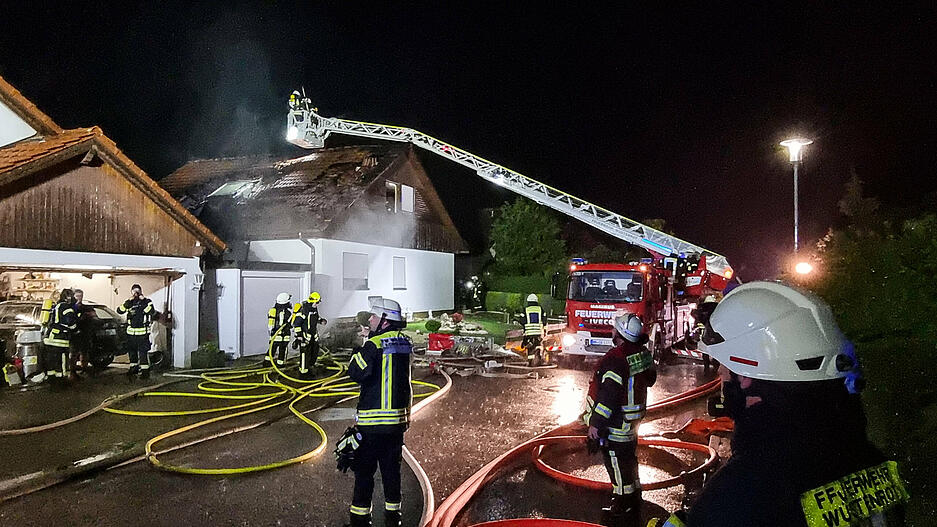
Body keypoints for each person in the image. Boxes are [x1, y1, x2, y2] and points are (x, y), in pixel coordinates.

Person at [653, 281, 908, 527]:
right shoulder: (875, 462)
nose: (720, 375)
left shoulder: (742, 494)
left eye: (725, 367)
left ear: (745, 378)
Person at [583, 313, 657, 526]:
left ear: (620, 334)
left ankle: (622, 506)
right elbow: (650, 379)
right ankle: (634, 497)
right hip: (633, 421)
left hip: (616, 423)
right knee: (628, 461)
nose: (612, 331)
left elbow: (608, 397)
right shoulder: (641, 354)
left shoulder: (615, 359)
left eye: (615, 329)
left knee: (616, 463)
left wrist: (595, 424)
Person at [346, 297, 412, 527]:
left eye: (374, 316)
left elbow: (356, 372)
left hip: (373, 423)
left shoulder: (373, 346)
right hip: (396, 423)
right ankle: (394, 516)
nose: (370, 320)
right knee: (391, 471)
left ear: (385, 320)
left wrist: (361, 345)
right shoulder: (404, 342)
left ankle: (360, 519)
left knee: (364, 472)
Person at [116, 284, 155, 379]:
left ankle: (145, 372)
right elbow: (119, 311)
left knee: (142, 353)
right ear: (131, 292)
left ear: (141, 291)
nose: (136, 293)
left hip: (142, 333)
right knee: (132, 351)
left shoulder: (147, 301)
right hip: (131, 333)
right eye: (134, 291)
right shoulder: (129, 302)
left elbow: (151, 311)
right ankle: (133, 368)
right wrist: (128, 302)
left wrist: (143, 301)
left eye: (138, 291)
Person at [43, 289, 77, 383]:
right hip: (60, 338)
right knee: (62, 360)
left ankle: (51, 379)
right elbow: (70, 322)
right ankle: (62, 379)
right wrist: (75, 328)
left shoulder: (56, 306)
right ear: (68, 297)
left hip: (50, 337)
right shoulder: (67, 307)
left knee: (51, 360)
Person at [292, 291, 328, 379]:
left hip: (313, 336)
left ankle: (310, 367)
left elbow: (316, 318)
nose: (318, 304)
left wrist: (321, 321)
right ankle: (303, 373)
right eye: (317, 302)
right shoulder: (304, 310)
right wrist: (299, 335)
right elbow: (297, 324)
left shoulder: (314, 309)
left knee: (314, 351)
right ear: (312, 301)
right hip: (305, 337)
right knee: (305, 354)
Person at [71, 289, 94, 378]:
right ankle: (72, 372)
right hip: (75, 335)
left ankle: (84, 368)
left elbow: (93, 315)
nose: (79, 298)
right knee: (73, 353)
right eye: (77, 296)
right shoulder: (71, 308)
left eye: (80, 296)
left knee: (84, 353)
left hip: (84, 334)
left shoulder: (86, 307)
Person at [267, 292, 293, 369]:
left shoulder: (275, 310)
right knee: (279, 349)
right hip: (280, 334)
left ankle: (270, 363)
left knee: (275, 349)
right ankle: (275, 363)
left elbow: (271, 325)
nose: (289, 302)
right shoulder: (285, 312)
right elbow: (276, 324)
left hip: (280, 334)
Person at [522, 293, 545, 365]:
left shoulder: (526, 309)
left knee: (530, 347)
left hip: (529, 333)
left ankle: (530, 362)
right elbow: (544, 319)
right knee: (538, 345)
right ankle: (539, 359)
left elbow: (522, 320)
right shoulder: (540, 309)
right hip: (538, 332)